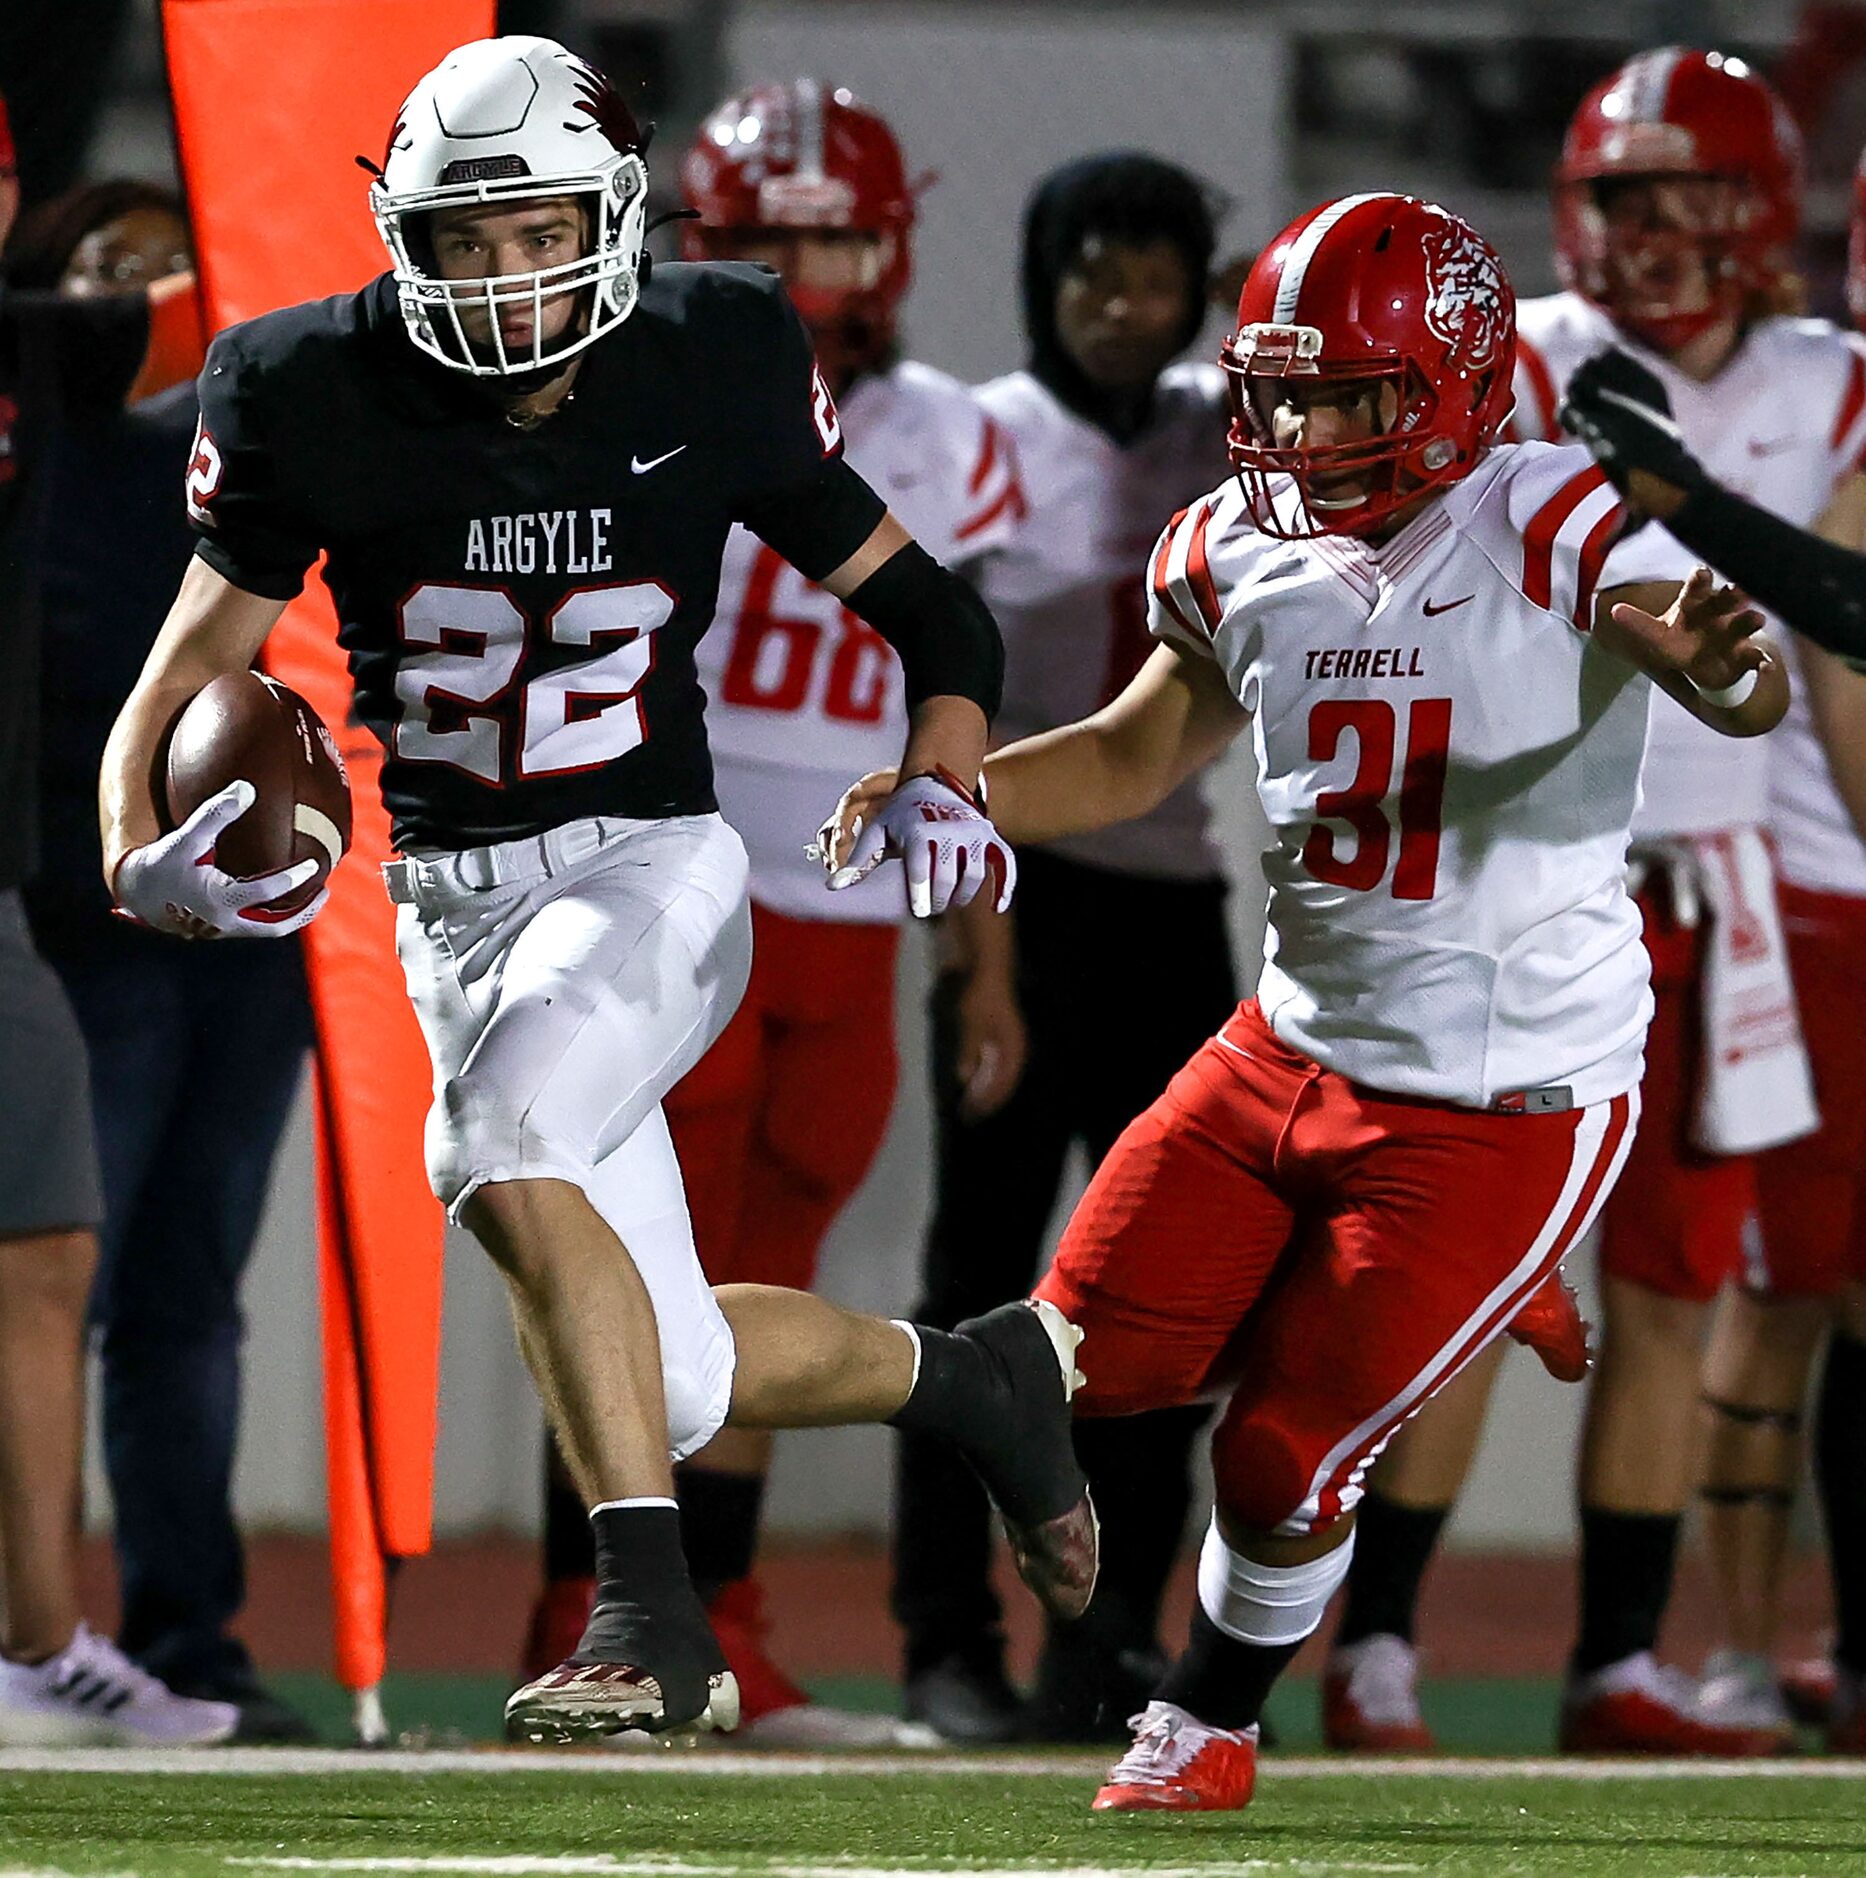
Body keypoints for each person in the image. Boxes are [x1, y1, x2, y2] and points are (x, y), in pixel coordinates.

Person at [97, 35, 1094, 1745]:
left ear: (615, 220)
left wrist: (946, 764)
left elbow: (942, 619)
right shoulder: (304, 384)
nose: (501, 276)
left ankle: (650, 1620)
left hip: (654, 864)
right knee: (684, 1371)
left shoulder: (709, 352)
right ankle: (978, 1378)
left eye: (537, 228)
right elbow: (180, 685)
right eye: (461, 238)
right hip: (446, 908)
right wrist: (139, 858)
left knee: (489, 1144)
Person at [825, 188, 1784, 1813]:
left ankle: (1207, 1720)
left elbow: (1722, 670)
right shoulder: (1232, 540)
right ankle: (1478, 1288)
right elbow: (1137, 750)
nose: (1305, 428)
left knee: (1272, 1458)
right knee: (1067, 1360)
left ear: (1461, 380)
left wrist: (1719, 664)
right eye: (1280, 390)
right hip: (1285, 1044)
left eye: (1348, 393)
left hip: (1502, 1092)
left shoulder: (1547, 514)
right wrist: (958, 782)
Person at [1326, 49, 1840, 1758]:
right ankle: (1376, 1639)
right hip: (1520, 878)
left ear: (1758, 209)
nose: (1650, 231)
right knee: (1468, 1285)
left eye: (1684, 194)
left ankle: (1612, 1658)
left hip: (1719, 891)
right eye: (1621, 196)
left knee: (1678, 1291)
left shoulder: (1830, 385)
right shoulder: (1511, 353)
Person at [522, 78, 1026, 1748]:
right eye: (761, 236)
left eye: (831, 233)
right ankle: (580, 1601)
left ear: (889, 241)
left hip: (854, 925)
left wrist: (981, 954)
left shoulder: (955, 433)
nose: (801, 267)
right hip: (668, 889)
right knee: (631, 1263)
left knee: (770, 1264)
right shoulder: (640, 383)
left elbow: (965, 709)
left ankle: (720, 1620)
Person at [890, 152, 1233, 1746]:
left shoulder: (1228, 430)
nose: (1124, 306)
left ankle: (1109, 1649)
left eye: (1156, 279)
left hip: (1172, 904)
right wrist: (984, 965)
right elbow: (943, 703)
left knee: (1161, 1300)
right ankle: (943, 1643)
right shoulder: (979, 436)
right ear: (1046, 276)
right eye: (1096, 272)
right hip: (1009, 891)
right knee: (973, 1287)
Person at [12, 180, 315, 1743]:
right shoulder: (39, 458)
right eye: (105, 268)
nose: (147, 293)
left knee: (190, 1300)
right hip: (90, 932)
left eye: (170, 263)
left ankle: (188, 1633)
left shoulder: (256, 458)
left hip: (248, 948)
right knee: (62, 1285)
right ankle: (36, 1632)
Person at [0, 99, 236, 1747]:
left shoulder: (33, 358)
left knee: (55, 1251)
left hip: (7, 886)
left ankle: (38, 1643)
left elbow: (231, 296)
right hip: (61, 896)